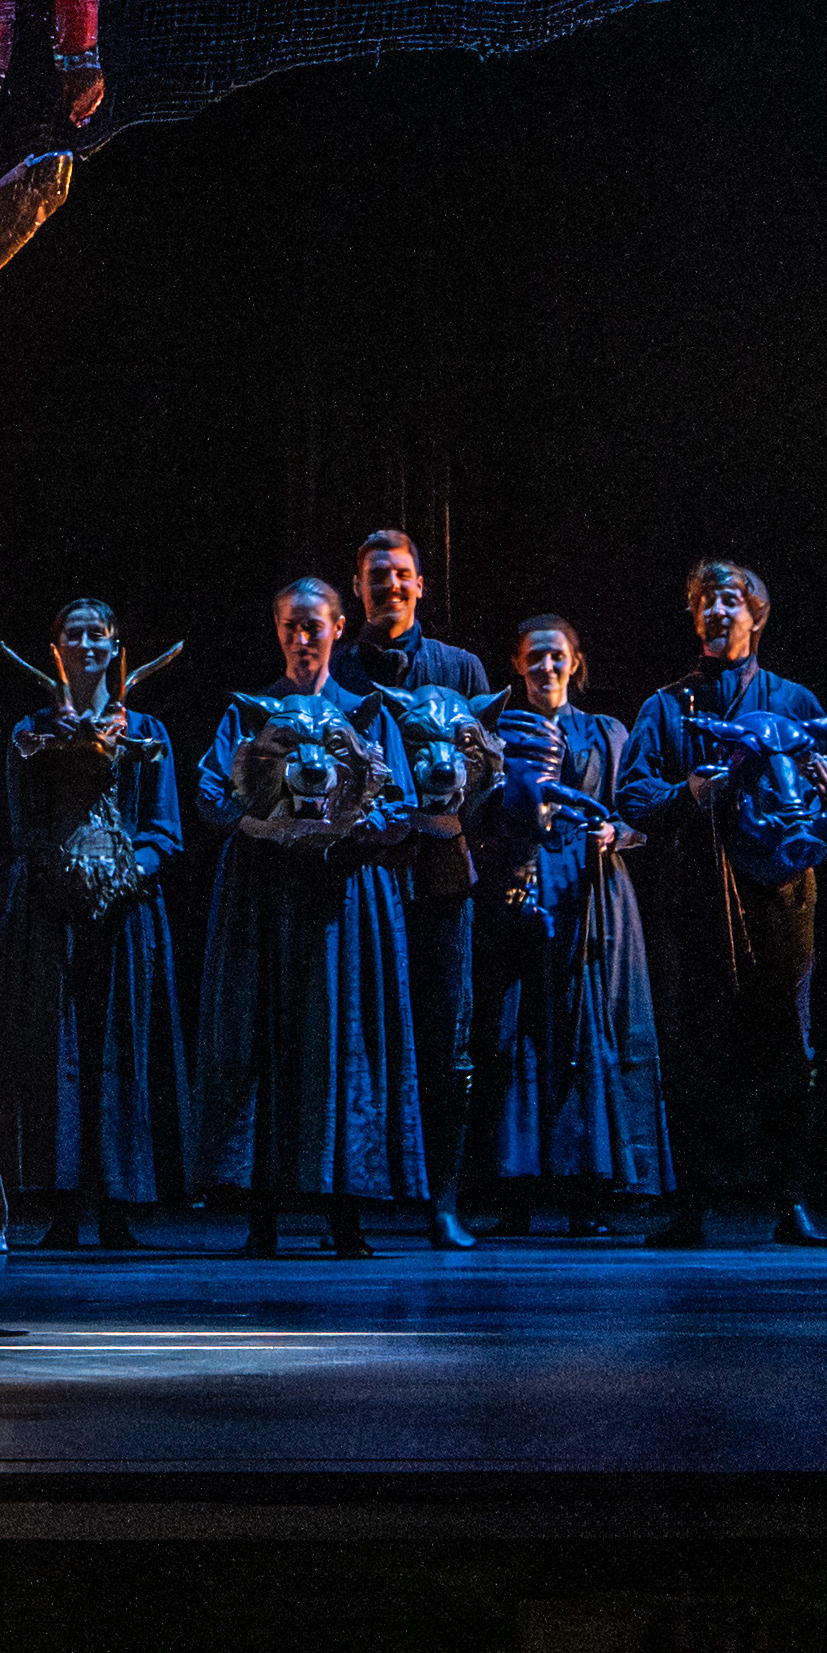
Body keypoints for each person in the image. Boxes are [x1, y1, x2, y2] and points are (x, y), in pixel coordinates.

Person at [616, 558, 827, 1247]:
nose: (718, 612)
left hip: (780, 904)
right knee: (692, 1053)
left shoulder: (794, 701)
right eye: (705, 603)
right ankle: (691, 1205)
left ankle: (789, 1202)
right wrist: (687, 793)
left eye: (731, 601)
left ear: (756, 615)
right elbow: (631, 797)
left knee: (786, 1051)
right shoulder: (666, 706)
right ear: (694, 619)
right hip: (693, 902)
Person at [195, 578, 425, 1255]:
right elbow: (211, 790)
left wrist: (349, 823)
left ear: (337, 627)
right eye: (290, 626)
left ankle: (344, 1213)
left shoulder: (366, 710)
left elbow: (401, 800)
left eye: (314, 626)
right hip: (264, 896)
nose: (302, 638)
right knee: (266, 1033)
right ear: (276, 629)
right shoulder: (249, 710)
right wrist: (261, 825)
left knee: (342, 1036)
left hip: (342, 898)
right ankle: (261, 1212)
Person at [0, 598, 188, 1248]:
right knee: (62, 1050)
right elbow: (22, 828)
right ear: (56, 648)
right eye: (72, 632)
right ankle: (65, 1202)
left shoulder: (146, 728)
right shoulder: (30, 730)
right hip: (53, 913)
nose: (85, 643)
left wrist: (123, 871)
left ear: (114, 643)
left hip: (127, 913)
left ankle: (118, 1203)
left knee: (118, 1046)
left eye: (97, 633)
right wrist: (64, 871)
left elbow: (165, 830)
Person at [462, 613, 665, 1238]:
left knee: (586, 1032)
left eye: (557, 657)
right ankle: (517, 1192)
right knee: (516, 1032)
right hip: (517, 888)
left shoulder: (607, 732)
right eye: (534, 658)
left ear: (575, 664)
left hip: (591, 893)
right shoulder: (491, 730)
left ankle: (589, 1191)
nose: (546, 668)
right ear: (517, 666)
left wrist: (616, 833)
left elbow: (638, 811)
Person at [339, 528, 492, 1248]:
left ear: (420, 584)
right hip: (360, 877)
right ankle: (349, 1207)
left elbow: (488, 769)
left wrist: (448, 816)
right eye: (376, 575)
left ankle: (443, 1202)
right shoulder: (337, 668)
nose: (389, 586)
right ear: (358, 585)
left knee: (445, 1039)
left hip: (438, 874)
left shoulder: (460, 669)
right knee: (357, 1035)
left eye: (400, 575)